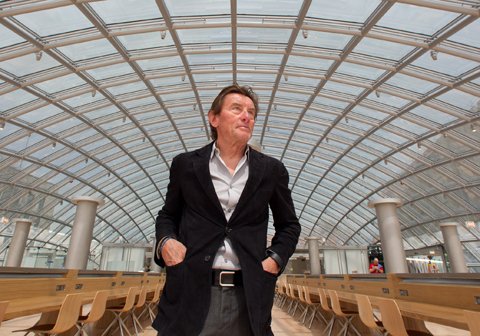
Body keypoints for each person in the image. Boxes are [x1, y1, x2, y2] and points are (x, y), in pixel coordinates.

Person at [153, 84, 301, 336]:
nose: (247, 116)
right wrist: (166, 242)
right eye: (237, 109)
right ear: (214, 118)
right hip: (191, 289)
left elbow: (289, 225)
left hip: (249, 295)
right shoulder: (186, 165)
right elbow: (168, 215)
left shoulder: (271, 170)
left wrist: (274, 260)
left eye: (251, 112)